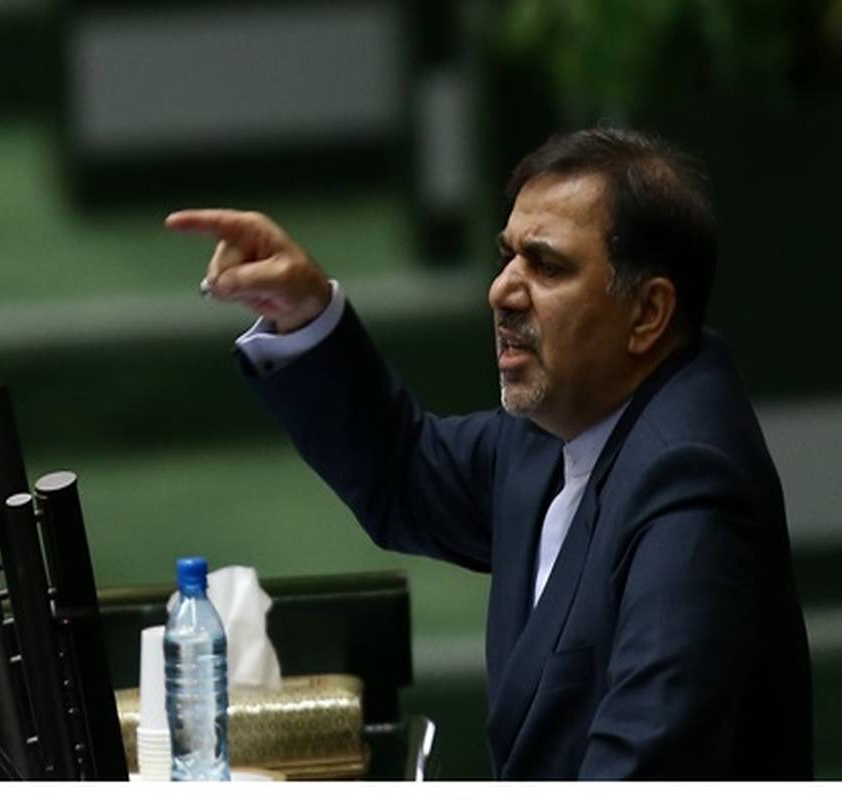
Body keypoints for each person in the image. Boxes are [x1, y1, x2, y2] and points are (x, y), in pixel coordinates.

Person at [165, 128, 813, 779]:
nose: (502, 291)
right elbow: (404, 472)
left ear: (647, 314)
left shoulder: (689, 488)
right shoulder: (559, 428)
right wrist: (304, 314)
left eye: (547, 266)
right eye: (508, 257)